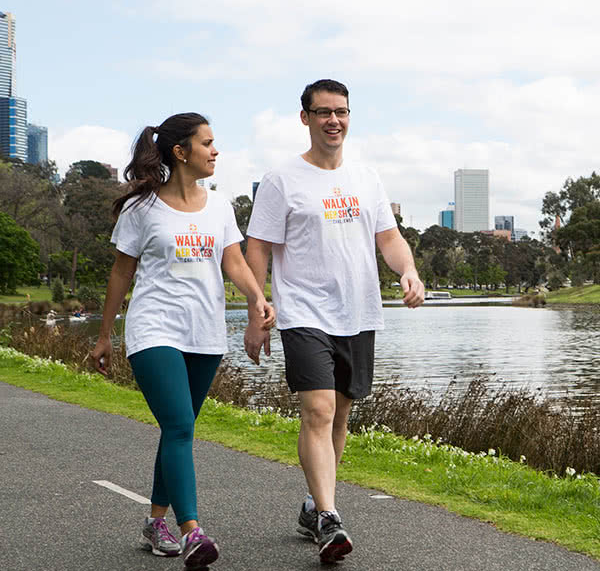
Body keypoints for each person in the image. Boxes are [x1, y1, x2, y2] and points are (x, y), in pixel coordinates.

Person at [244, 79, 423, 563]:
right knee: (319, 411)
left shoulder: (367, 178)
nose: (333, 121)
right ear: (305, 118)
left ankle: (312, 507)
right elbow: (257, 247)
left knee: (341, 414)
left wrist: (408, 270)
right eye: (322, 112)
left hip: (358, 311)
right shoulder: (282, 180)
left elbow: (389, 238)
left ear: (349, 116)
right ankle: (329, 516)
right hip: (303, 311)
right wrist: (256, 309)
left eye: (340, 111)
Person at [91, 113, 275, 569]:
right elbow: (121, 272)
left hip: (205, 332)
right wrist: (104, 337)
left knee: (180, 428)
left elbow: (233, 261)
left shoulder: (219, 207)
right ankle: (193, 531)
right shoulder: (142, 209)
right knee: (179, 427)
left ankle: (156, 521)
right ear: (181, 152)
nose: (215, 151)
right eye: (207, 143)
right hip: (154, 328)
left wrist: (257, 298)